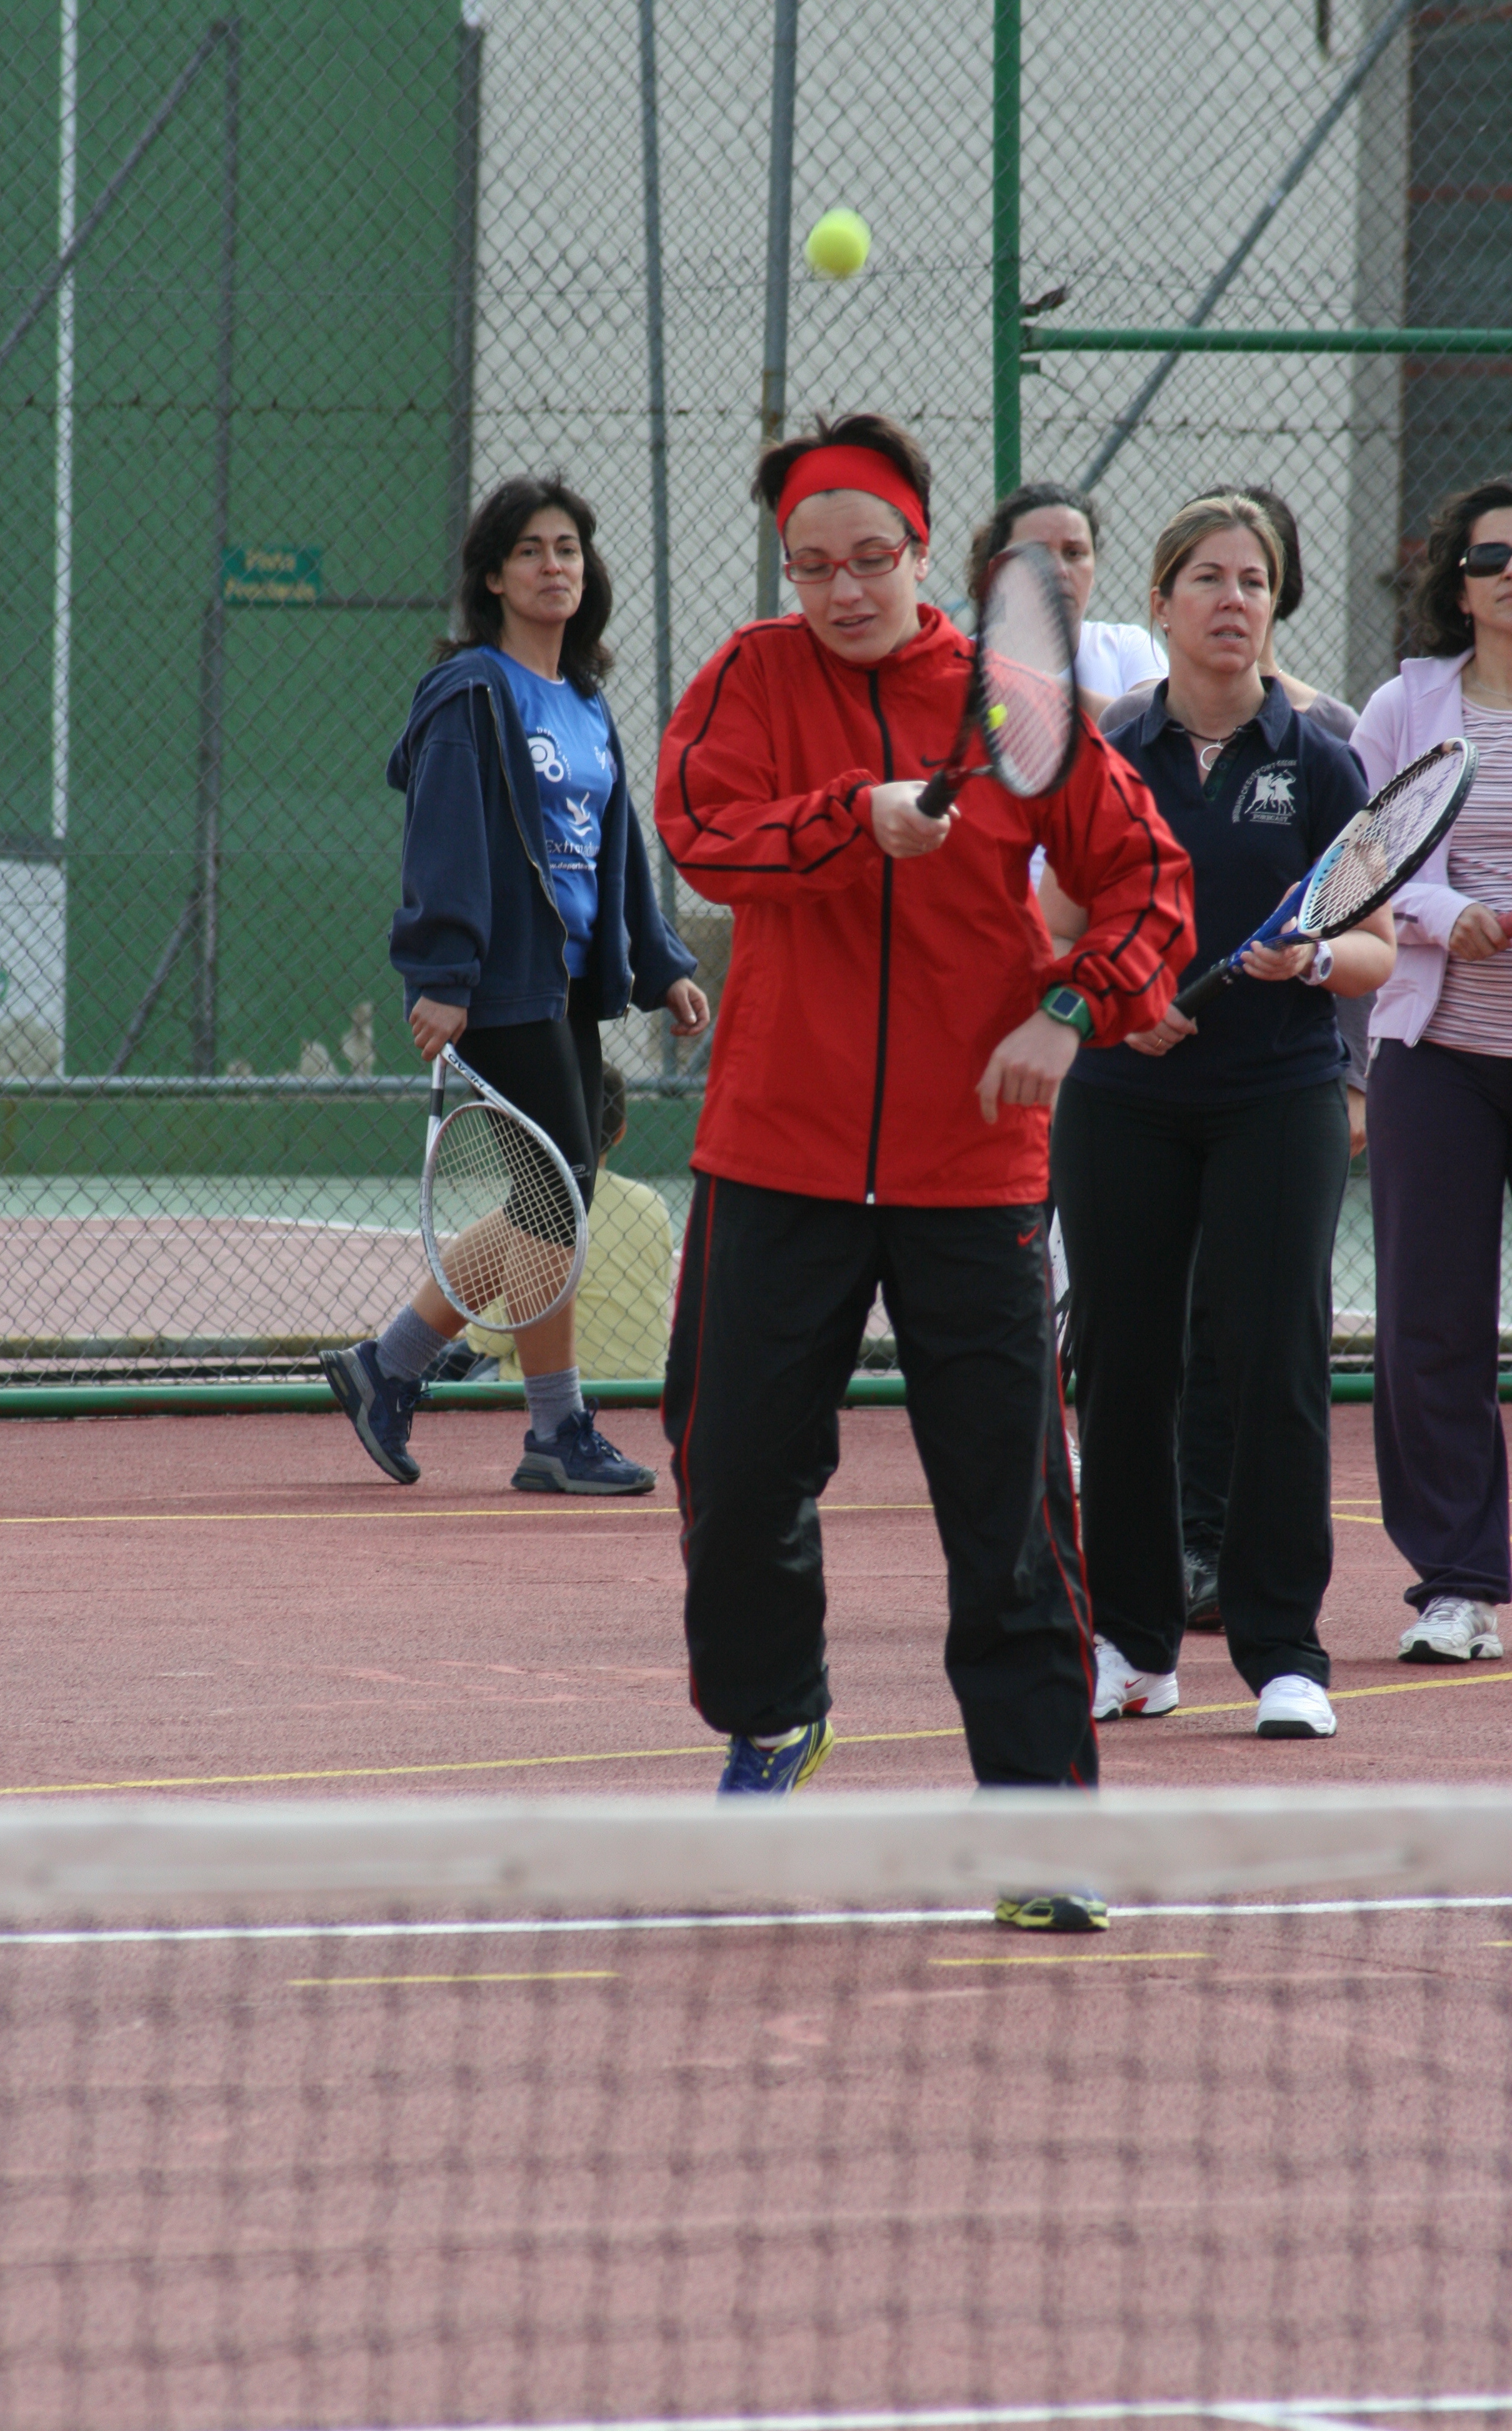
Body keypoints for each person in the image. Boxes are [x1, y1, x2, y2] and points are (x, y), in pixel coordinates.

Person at [653, 408, 1193, 1930]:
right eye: (812, 564)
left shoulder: (1018, 705)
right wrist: (855, 819)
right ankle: (775, 1716)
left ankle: (1038, 1823)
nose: (842, 589)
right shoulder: (748, 678)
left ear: (918, 551)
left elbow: (1150, 881)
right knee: (730, 1472)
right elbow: (702, 833)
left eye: (869, 558)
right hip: (776, 1152)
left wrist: (1073, 1010)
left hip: (975, 1171)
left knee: (1008, 1519)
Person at [1049, 493, 1394, 1740]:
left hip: (1277, 1097)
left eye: (1254, 580)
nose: (1233, 599)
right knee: (1123, 1366)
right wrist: (1113, 999)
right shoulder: (1107, 752)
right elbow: (1053, 927)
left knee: (1274, 1362)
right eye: (1207, 577)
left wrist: (1313, 959)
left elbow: (1375, 946)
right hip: (1121, 1098)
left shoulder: (1322, 759)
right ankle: (1134, 1646)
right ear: (1160, 602)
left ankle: (1285, 1652)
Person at [321, 475, 708, 1494]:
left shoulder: (584, 701)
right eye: (530, 550)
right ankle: (554, 1430)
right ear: (492, 576)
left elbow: (615, 848)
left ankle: (388, 1365)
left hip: (568, 984)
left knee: (557, 1193)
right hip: (496, 983)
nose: (552, 566)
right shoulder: (470, 691)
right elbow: (443, 836)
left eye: (567, 548)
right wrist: (443, 973)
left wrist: (661, 962)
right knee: (560, 1191)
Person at [1354, 475, 1512, 1664]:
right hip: (1438, 1059)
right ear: (1457, 584)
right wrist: (1445, 912)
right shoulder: (1404, 707)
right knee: (1431, 1326)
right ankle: (1459, 1581)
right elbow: (1357, 863)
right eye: (1492, 556)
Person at [464, 1065, 676, 1383]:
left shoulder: (536, 1209)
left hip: (552, 1384)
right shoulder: (651, 1204)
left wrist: (474, 1333)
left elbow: (488, 1339)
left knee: (461, 1367)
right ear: (620, 1132)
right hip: (644, 1380)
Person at [966, 480, 1166, 716]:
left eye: (1073, 553)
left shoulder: (1129, 647)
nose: (1059, 570)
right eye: (1038, 553)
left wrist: (1040, 689)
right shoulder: (962, 662)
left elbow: (1159, 726)